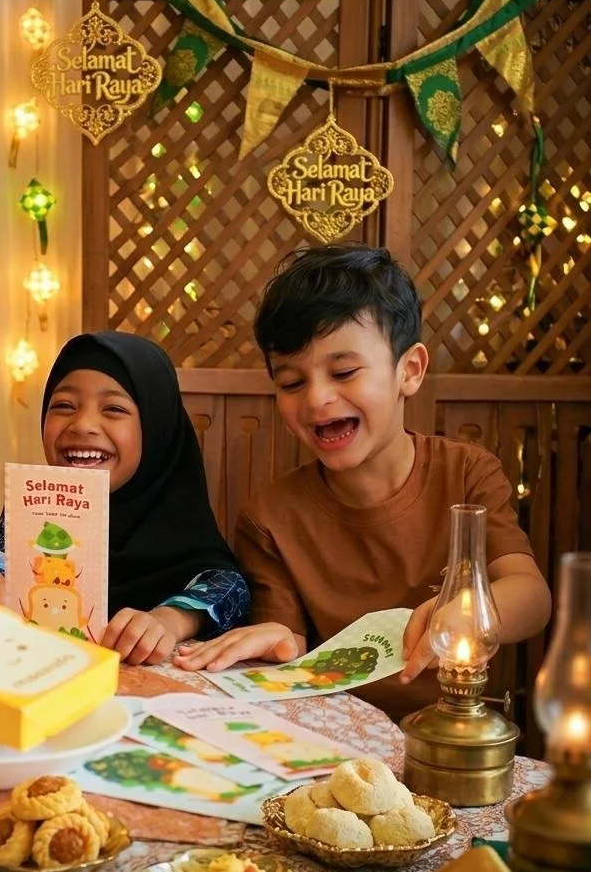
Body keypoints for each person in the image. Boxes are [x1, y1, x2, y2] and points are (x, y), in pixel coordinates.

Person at [173, 244, 551, 721]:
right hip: (330, 732)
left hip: (453, 731)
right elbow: (288, 641)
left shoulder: (466, 473)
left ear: (409, 371)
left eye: (344, 372)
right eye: (291, 383)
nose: (317, 399)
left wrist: (470, 611)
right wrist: (274, 642)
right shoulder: (269, 517)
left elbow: (531, 595)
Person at [0, 330, 250, 665]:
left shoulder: (179, 520)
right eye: (64, 405)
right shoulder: (38, 509)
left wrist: (173, 618)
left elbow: (229, 588)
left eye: (113, 408)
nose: (82, 425)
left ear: (155, 427)